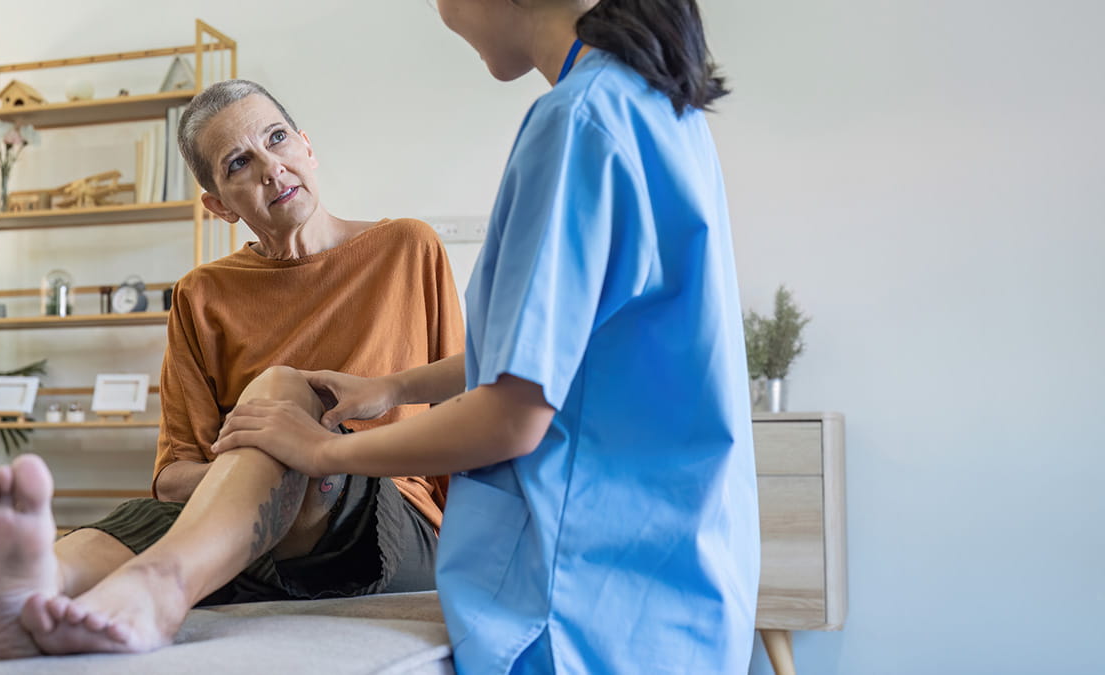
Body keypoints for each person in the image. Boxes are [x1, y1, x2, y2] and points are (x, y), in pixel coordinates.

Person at [214, 1, 760, 672]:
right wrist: (396, 386)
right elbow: (564, 349)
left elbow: (511, 416)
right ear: (218, 202)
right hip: (678, 591)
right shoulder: (654, 105)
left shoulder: (575, 123)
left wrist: (323, 452)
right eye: (236, 163)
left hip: (583, 606)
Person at [0, 79, 463, 658]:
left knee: (282, 392)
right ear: (217, 204)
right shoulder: (201, 294)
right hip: (250, 526)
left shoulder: (408, 248)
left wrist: (295, 449)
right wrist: (259, 470)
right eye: (240, 162)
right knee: (162, 514)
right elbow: (173, 476)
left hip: (386, 521)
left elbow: (463, 415)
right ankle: (30, 589)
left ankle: (159, 585)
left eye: (278, 138)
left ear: (307, 147)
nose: (272, 167)